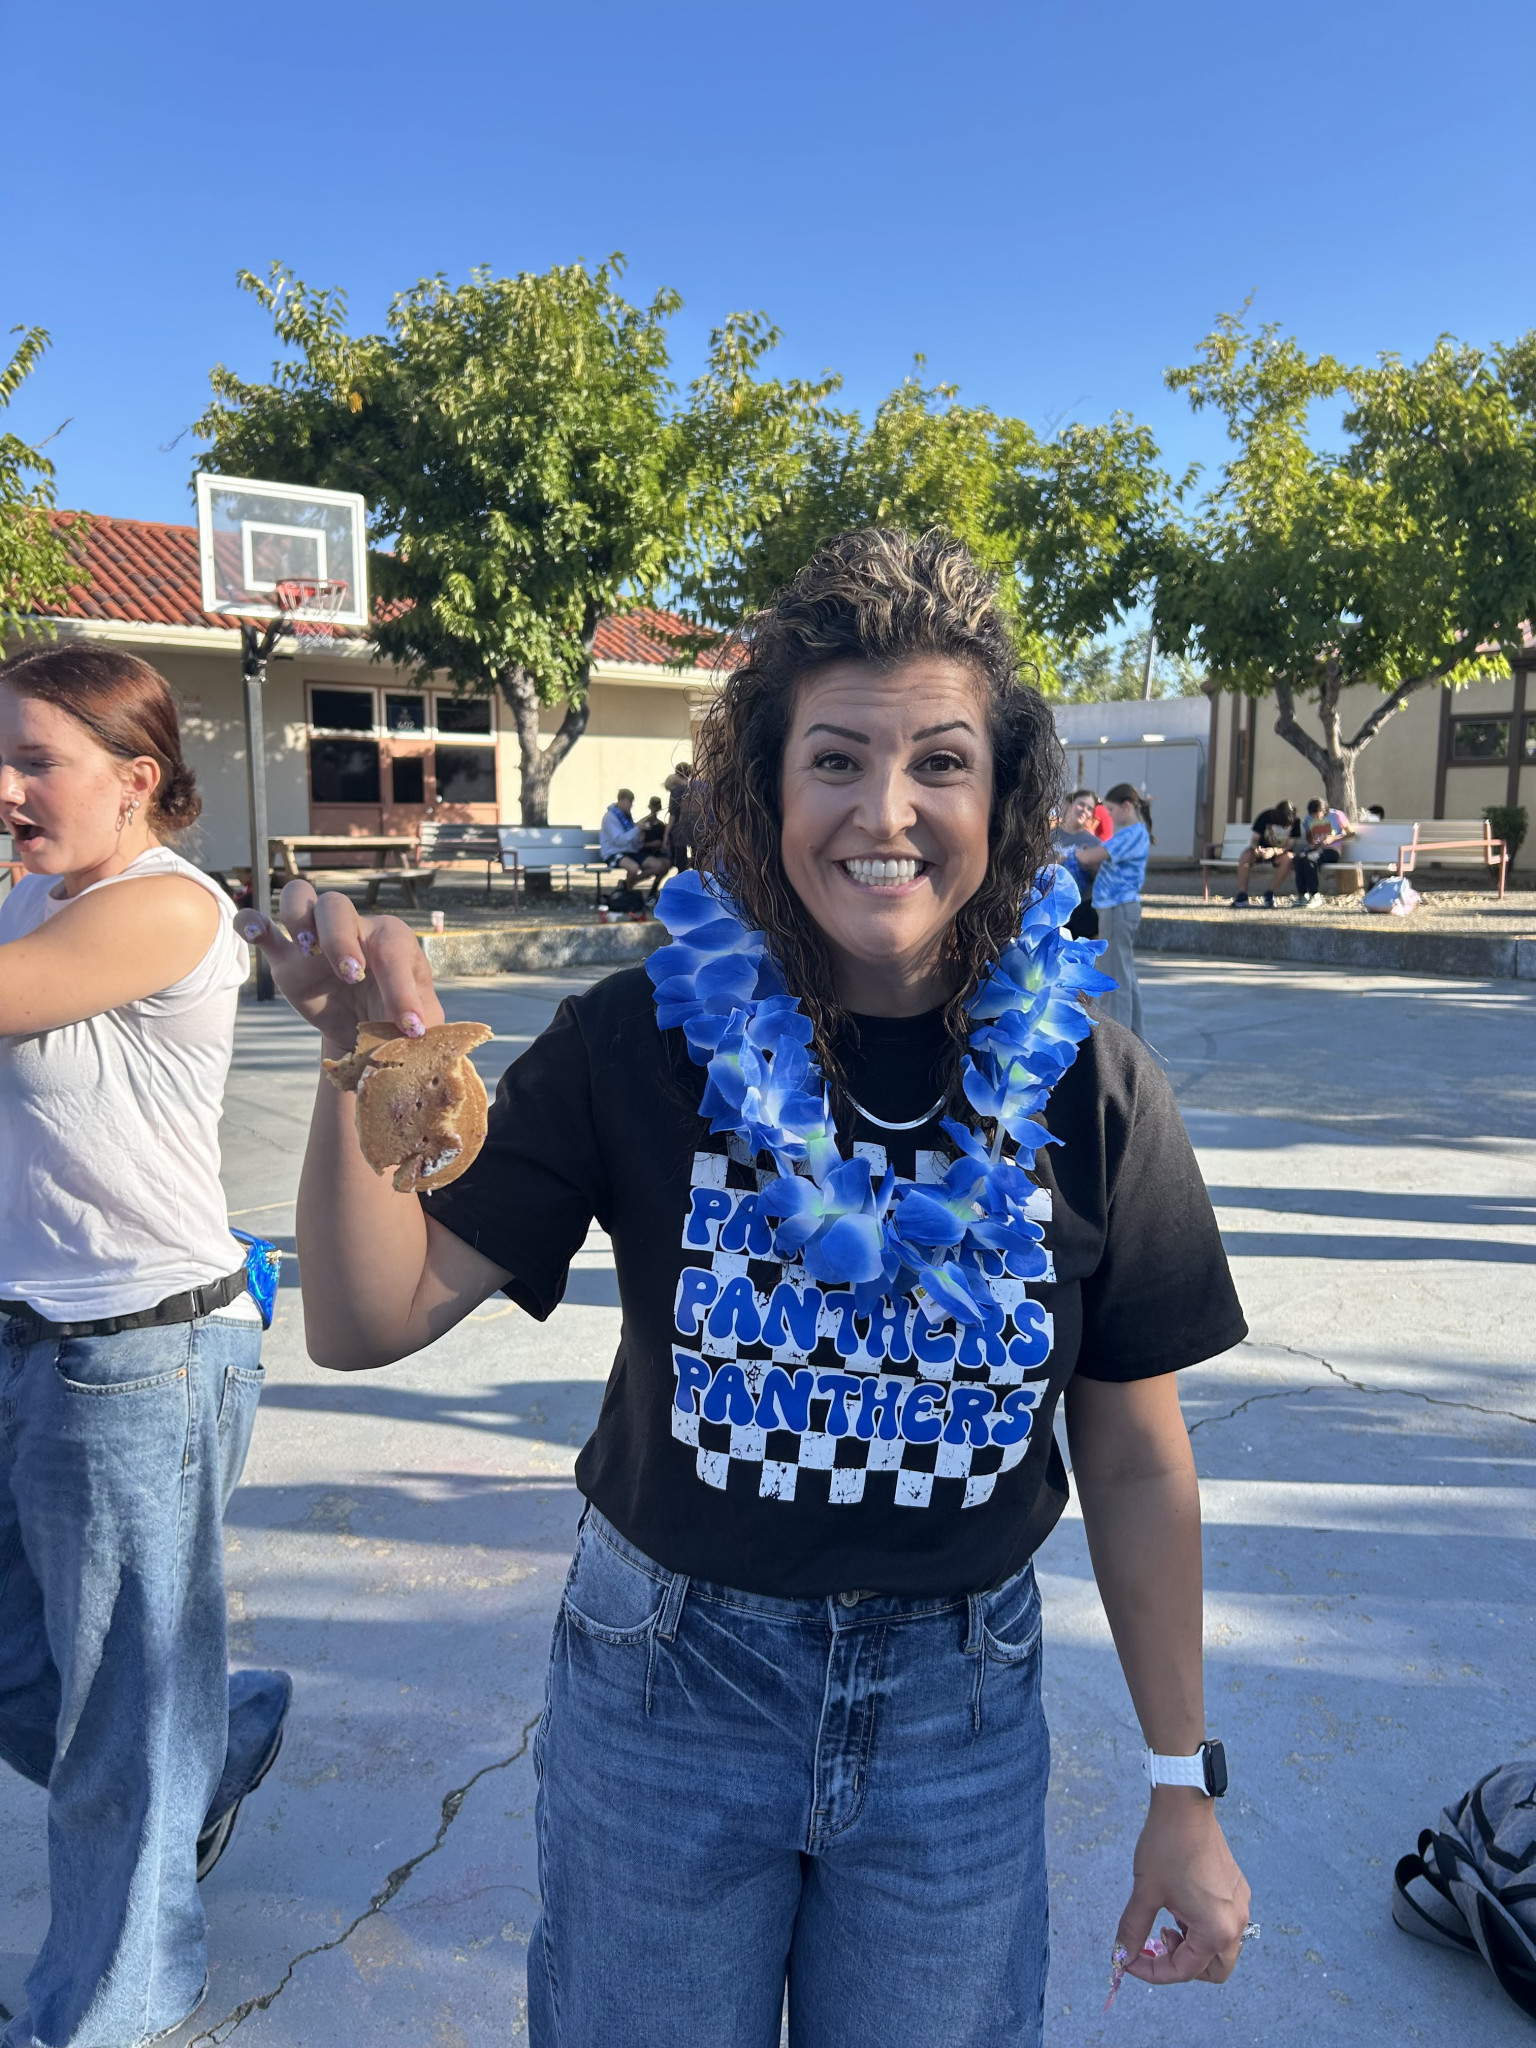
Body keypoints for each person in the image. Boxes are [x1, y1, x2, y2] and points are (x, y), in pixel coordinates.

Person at [247, 528, 1251, 2048]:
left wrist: (1183, 1783)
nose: (886, 811)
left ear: (1003, 801)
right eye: (836, 759)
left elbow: (1133, 1455)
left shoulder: (1093, 1089)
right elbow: (364, 1319)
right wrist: (356, 1050)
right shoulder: (637, 1039)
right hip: (669, 1692)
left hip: (958, 1716)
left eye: (941, 763)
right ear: (768, 793)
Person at [0, 646, 290, 2048]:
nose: (6, 790)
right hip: (23, 1338)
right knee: (81, 1693)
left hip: (139, 1357)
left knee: (116, 1731)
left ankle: (107, 2008)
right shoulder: (34, 891)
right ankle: (209, 1744)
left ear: (136, 778)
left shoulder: (169, 906)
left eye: (33, 761)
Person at [1073, 783, 1152, 1040]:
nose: (1108, 815)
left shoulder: (1131, 833)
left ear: (1126, 807)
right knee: (1124, 974)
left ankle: (1118, 1042)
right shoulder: (1135, 833)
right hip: (1117, 908)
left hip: (1118, 909)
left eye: (1110, 809)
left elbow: (1091, 857)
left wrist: (1079, 853)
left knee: (1114, 976)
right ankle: (1135, 1037)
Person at [600, 786, 669, 901]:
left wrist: (640, 835)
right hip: (614, 852)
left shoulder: (626, 817)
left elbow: (631, 838)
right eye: (630, 802)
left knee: (658, 866)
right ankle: (627, 895)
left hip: (630, 851)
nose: (631, 805)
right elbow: (619, 840)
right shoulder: (610, 817)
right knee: (633, 868)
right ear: (621, 800)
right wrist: (637, 829)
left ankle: (625, 886)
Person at [1053, 786, 1101, 941]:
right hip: (1052, 907)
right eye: (1081, 804)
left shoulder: (1094, 843)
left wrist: (1091, 867)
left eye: (1089, 809)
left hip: (1081, 911)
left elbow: (1103, 880)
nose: (1084, 811)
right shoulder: (1048, 836)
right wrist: (1053, 863)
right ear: (1069, 804)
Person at [1230, 800, 1297, 907]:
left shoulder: (1295, 822)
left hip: (1279, 853)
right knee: (1245, 856)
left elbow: (1290, 845)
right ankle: (1242, 894)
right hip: (1261, 851)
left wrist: (1274, 851)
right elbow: (1254, 840)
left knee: (1289, 858)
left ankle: (1270, 893)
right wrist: (1256, 849)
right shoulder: (1265, 816)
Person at [1294, 798, 1348, 905]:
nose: (1314, 817)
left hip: (1332, 850)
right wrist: (1312, 842)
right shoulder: (1309, 818)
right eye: (1312, 814)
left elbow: (1352, 833)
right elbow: (1309, 836)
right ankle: (1302, 894)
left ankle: (1315, 894)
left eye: (1317, 814)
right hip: (1316, 849)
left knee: (1310, 859)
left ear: (1323, 810)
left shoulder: (1336, 815)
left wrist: (1333, 838)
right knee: (1299, 858)